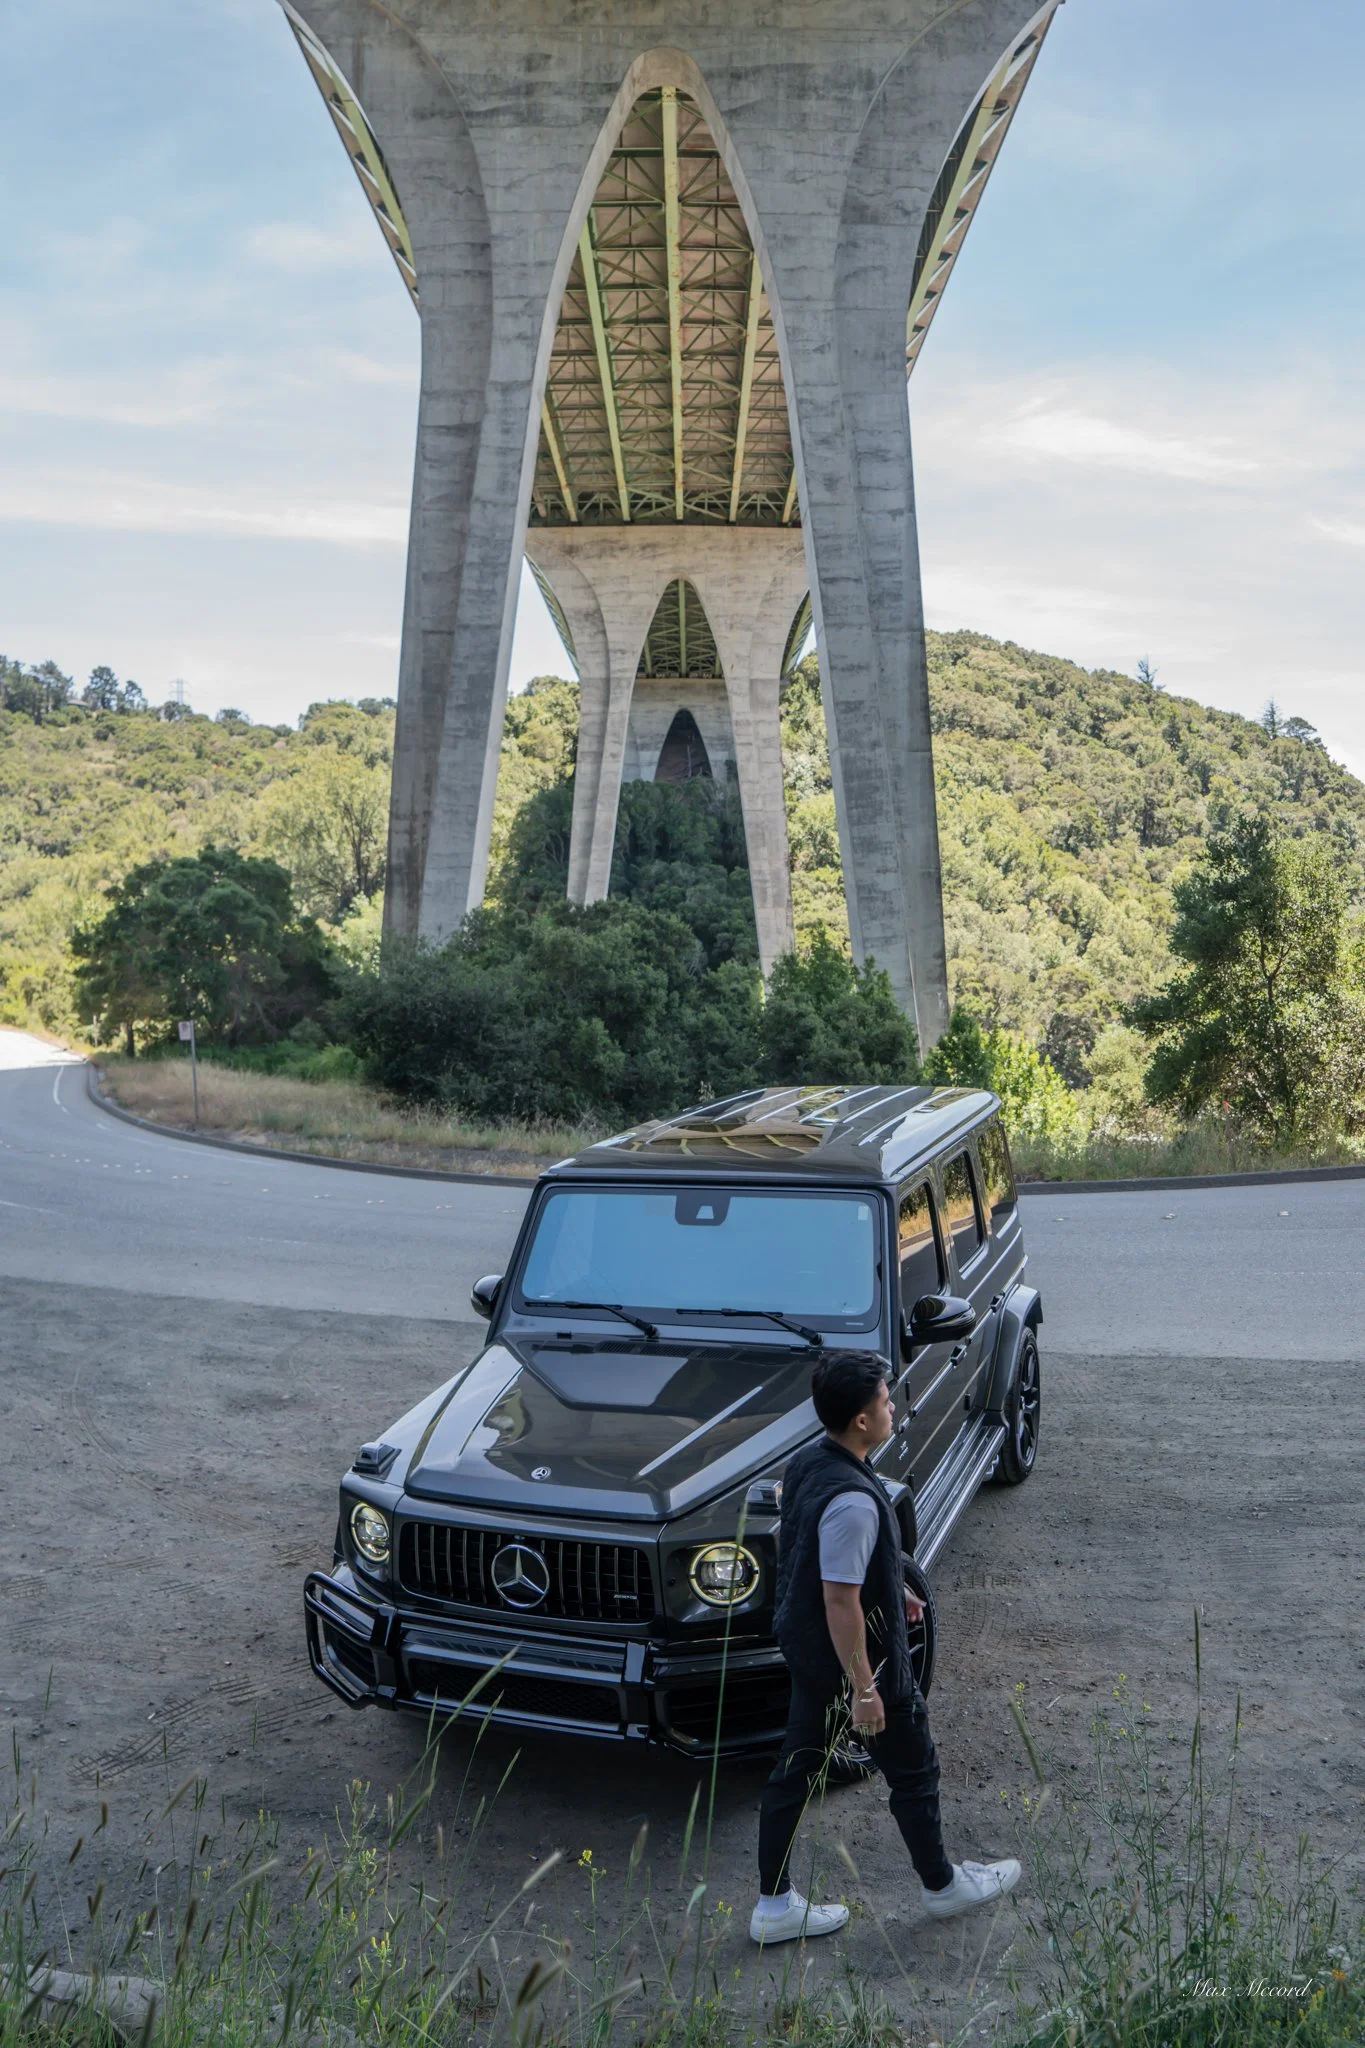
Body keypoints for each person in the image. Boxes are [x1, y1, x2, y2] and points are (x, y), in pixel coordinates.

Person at [750, 1350, 1021, 1944]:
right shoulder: (852, 1500)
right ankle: (942, 1886)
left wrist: (891, 1585)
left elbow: (815, 1544)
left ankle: (773, 1907)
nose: (894, 1406)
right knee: (915, 1768)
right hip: (856, 1662)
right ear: (863, 1421)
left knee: (794, 1772)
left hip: (808, 1652)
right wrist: (866, 1689)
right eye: (885, 1401)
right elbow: (840, 1600)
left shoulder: (808, 1464)